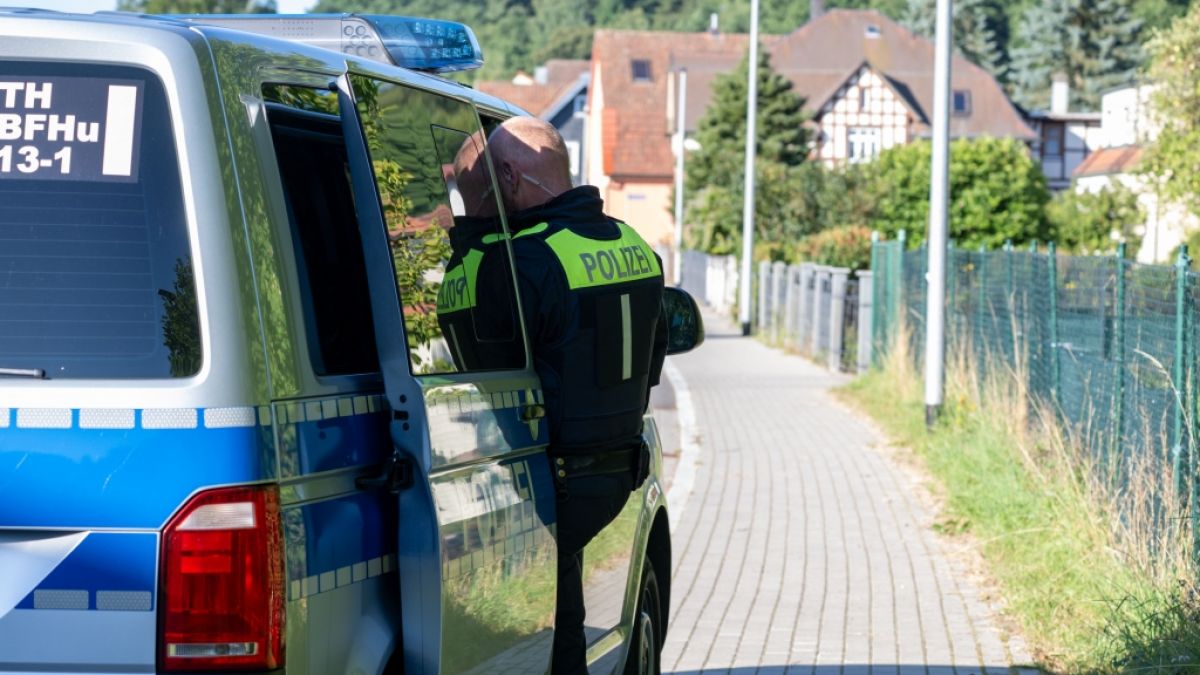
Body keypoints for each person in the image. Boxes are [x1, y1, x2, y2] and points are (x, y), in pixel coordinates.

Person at [486, 116, 667, 675]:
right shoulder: (638, 246)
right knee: (569, 631)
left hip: (551, 480)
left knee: (559, 643)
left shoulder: (525, 261)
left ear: (512, 178)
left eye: (492, 183)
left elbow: (490, 382)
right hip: (619, 471)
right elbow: (653, 361)